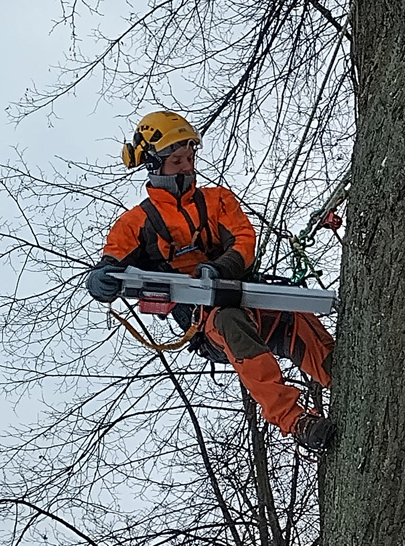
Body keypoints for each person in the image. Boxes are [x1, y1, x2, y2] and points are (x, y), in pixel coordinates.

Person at [85, 111, 335, 452]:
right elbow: (112, 264)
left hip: (249, 296)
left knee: (292, 309)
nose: (187, 167)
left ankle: (340, 373)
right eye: (177, 161)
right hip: (208, 323)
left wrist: (221, 268)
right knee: (230, 321)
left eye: (189, 159)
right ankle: (295, 420)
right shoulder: (136, 223)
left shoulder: (217, 201)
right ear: (155, 164)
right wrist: (100, 280)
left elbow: (243, 241)